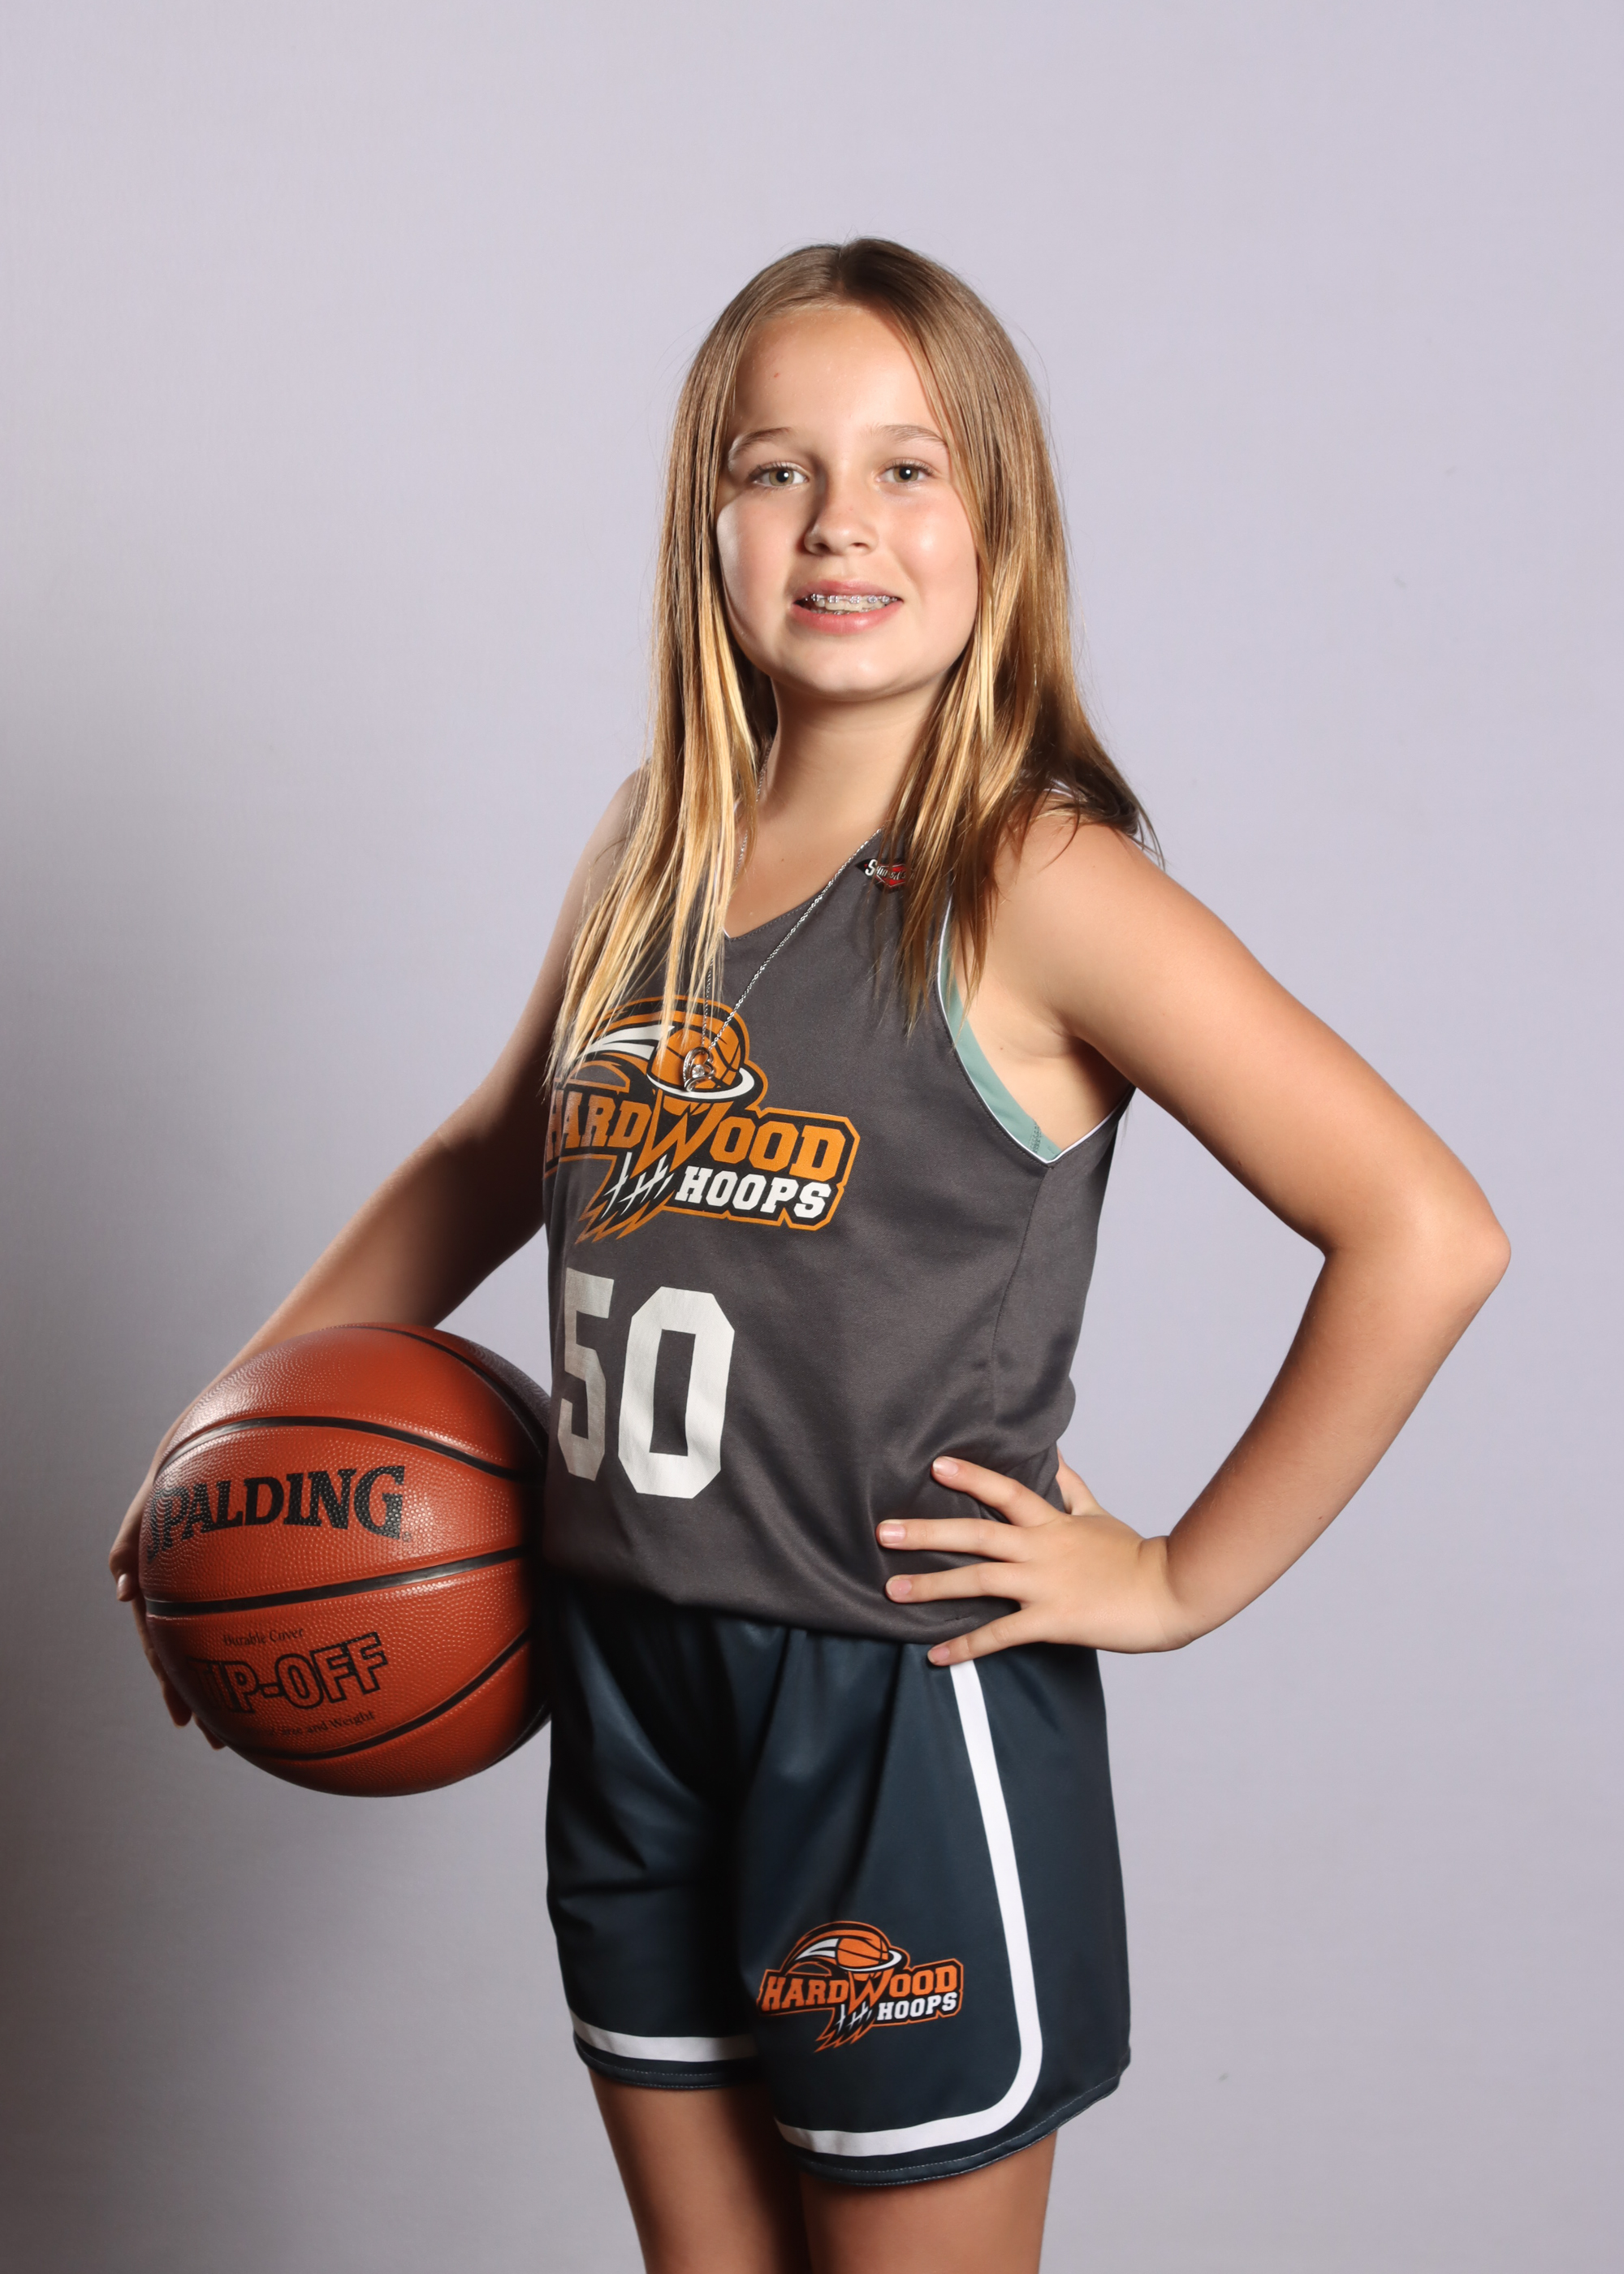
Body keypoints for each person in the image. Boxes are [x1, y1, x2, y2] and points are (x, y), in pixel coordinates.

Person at [110, 240, 1510, 2274]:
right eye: (777, 469)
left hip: (888, 1704)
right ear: (708, 521)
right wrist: (216, 1448)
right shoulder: (647, 846)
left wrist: (1177, 1576)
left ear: (997, 523)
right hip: (624, 1669)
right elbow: (488, 1155)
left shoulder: (1032, 881)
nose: (840, 520)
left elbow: (1423, 1227)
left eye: (906, 468)